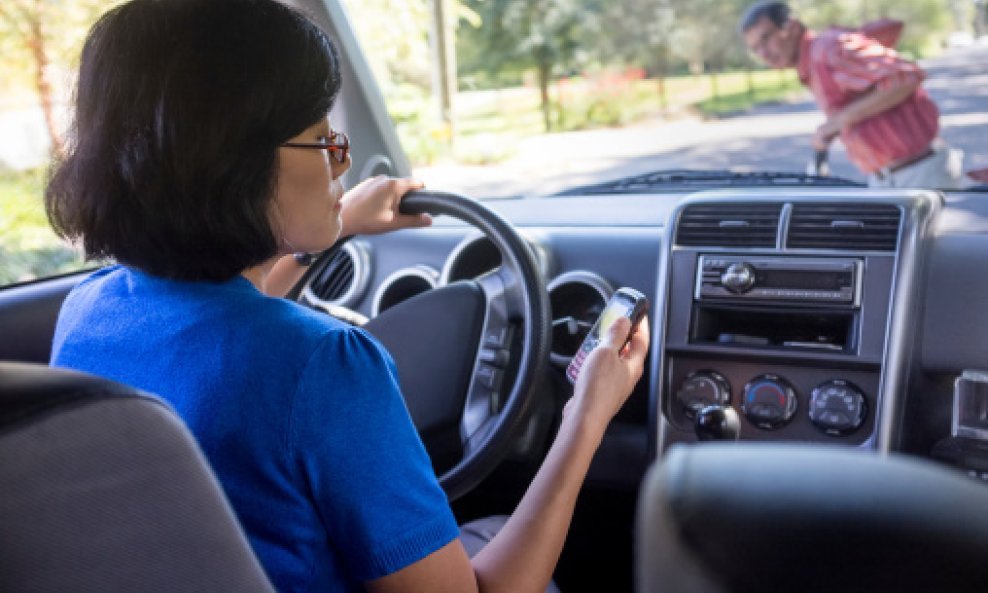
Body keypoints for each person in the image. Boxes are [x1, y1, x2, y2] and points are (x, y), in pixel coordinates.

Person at [45, 1, 649, 593]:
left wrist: (338, 226)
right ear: (233, 162)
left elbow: (218, 327)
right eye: (321, 139)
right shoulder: (327, 363)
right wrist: (587, 415)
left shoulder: (90, 310)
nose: (346, 158)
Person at [739, 1, 967, 189]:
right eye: (755, 49)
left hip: (919, 174)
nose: (763, 53)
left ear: (793, 27)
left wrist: (836, 122)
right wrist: (833, 128)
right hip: (888, 179)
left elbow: (905, 77)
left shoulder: (829, 49)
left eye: (766, 39)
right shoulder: (812, 64)